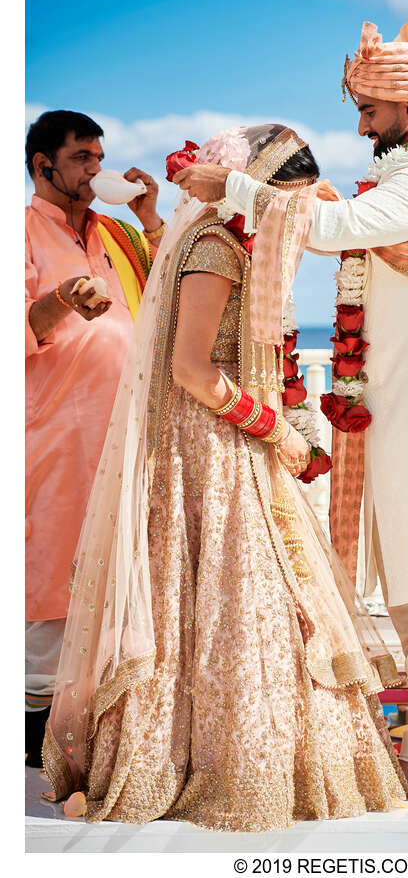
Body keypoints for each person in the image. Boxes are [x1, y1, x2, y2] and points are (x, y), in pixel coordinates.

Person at [173, 22, 408, 809]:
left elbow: (330, 230)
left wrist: (235, 189)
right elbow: (342, 220)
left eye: (370, 109)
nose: (359, 125)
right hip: (401, 406)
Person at [43, 125, 407, 831]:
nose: (292, 225)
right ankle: (220, 761)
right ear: (257, 193)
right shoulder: (215, 248)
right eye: (288, 206)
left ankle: (272, 754)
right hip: (209, 448)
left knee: (257, 606)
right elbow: (189, 369)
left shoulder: (243, 247)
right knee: (232, 604)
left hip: (234, 436)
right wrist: (274, 429)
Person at [25, 110, 164, 765]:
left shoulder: (116, 232)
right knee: (54, 582)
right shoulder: (21, 232)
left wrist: (153, 217)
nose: (93, 169)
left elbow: (174, 292)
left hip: (129, 431)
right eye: (81, 158)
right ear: (42, 165)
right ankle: (35, 741)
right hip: (56, 435)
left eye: (97, 157)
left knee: (125, 569)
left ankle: (107, 723)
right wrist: (62, 298)